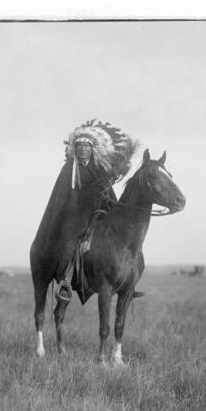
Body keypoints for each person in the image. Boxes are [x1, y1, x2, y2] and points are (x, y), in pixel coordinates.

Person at [31, 119, 138, 303]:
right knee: (69, 244)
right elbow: (60, 196)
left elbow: (109, 193)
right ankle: (65, 281)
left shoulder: (101, 168)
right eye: (79, 146)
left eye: (86, 146)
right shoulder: (69, 169)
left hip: (100, 214)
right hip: (76, 216)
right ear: (74, 149)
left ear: (92, 148)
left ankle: (127, 282)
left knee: (123, 239)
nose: (82, 149)